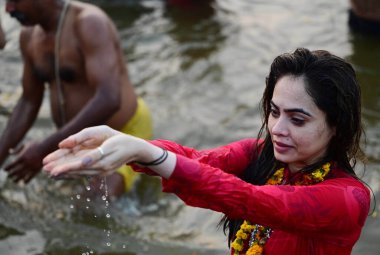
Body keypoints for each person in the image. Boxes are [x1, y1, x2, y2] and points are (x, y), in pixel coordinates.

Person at [43, 48, 370, 254]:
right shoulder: (263, 155)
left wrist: (148, 154)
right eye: (273, 112)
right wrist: (134, 147)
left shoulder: (348, 198)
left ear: (336, 126)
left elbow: (255, 201)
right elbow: (199, 161)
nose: (277, 129)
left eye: (297, 119)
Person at [0, 0, 152, 198]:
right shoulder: (28, 36)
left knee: (94, 204)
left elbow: (110, 99)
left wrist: (42, 149)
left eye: (15, 1)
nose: (8, 9)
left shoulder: (89, 23)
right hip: (75, 138)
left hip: (122, 131)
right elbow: (29, 101)